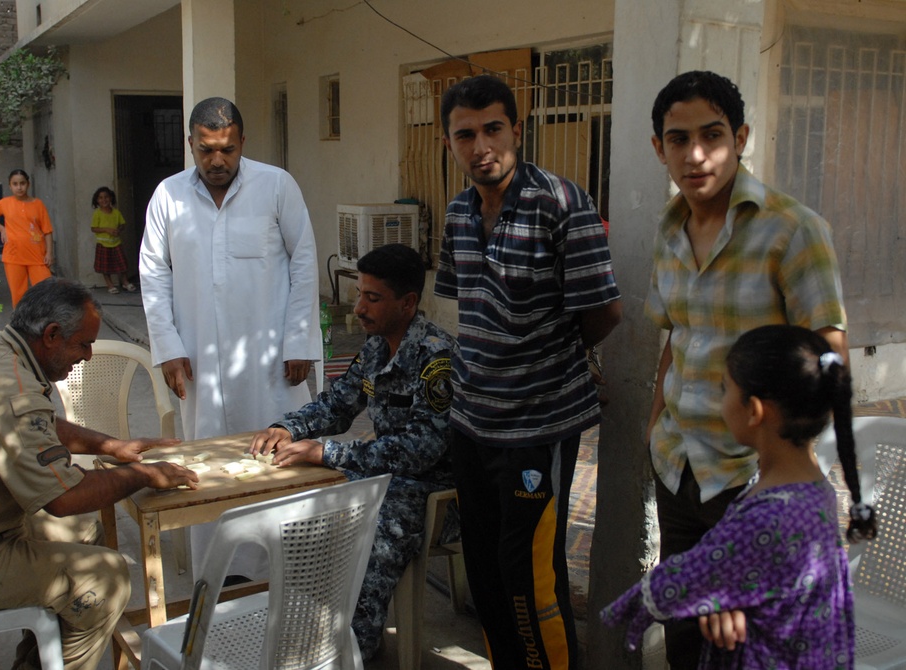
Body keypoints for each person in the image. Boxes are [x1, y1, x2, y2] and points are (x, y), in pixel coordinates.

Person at [644, 70, 849, 669]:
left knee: (746, 648)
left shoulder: (794, 231)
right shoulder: (668, 232)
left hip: (749, 485)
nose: (696, 154)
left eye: (712, 135)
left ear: (741, 138)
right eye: (678, 140)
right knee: (686, 638)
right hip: (679, 469)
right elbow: (676, 340)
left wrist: (780, 480)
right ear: (660, 148)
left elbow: (825, 362)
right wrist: (653, 428)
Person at [0, 278, 198, 670]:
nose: (89, 356)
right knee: (107, 579)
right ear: (52, 335)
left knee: (86, 532)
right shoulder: (11, 386)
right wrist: (144, 475)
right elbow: (64, 498)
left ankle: (38, 660)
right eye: (83, 344)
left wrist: (109, 446)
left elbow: (37, 425)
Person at [433, 74, 622, 669]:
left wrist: (554, 360)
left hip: (538, 426)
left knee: (530, 574)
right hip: (473, 421)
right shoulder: (459, 212)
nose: (481, 145)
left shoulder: (563, 204)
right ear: (448, 142)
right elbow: (468, 306)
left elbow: (604, 312)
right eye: (466, 134)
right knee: (484, 564)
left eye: (493, 128)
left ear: (518, 128)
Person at [604, 324, 876, 668]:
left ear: (754, 411)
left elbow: (685, 578)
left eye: (725, 389)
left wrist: (625, 607)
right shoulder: (815, 490)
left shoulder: (767, 517)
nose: (719, 400)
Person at [139, 96, 320, 577]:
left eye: (227, 149)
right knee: (209, 464)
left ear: (243, 143)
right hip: (198, 358)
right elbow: (153, 274)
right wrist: (169, 348)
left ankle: (282, 571)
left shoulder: (276, 186)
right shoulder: (168, 196)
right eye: (206, 150)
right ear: (190, 145)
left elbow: (304, 260)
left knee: (276, 458)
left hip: (271, 360)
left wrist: (299, 340)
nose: (217, 160)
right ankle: (219, 575)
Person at [250, 243, 456, 660]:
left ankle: (352, 653)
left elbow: (422, 450)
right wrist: (287, 428)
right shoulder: (377, 346)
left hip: (435, 490)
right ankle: (315, 637)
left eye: (372, 298)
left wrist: (328, 454)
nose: (359, 307)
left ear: (408, 302)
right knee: (307, 518)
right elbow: (338, 404)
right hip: (385, 474)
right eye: (360, 293)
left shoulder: (435, 356)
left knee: (366, 537)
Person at [0, 169, 55, 307]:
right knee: (18, 294)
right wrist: (2, 229)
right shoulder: (4, 203)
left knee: (46, 291)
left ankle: (45, 322)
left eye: (22, 183)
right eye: (15, 184)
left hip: (37, 256)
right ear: (10, 186)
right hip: (13, 256)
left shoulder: (38, 204)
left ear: (28, 184)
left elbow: (47, 231)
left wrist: (49, 253)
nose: (19, 187)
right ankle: (21, 324)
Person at [90, 186, 135, 294]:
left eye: (106, 197)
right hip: (103, 244)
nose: (104, 200)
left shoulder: (116, 213)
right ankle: (109, 284)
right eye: (100, 198)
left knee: (122, 264)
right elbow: (93, 228)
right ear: (97, 201)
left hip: (116, 243)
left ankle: (125, 281)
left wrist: (118, 230)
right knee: (105, 267)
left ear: (111, 198)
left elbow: (122, 224)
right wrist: (106, 230)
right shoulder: (97, 213)